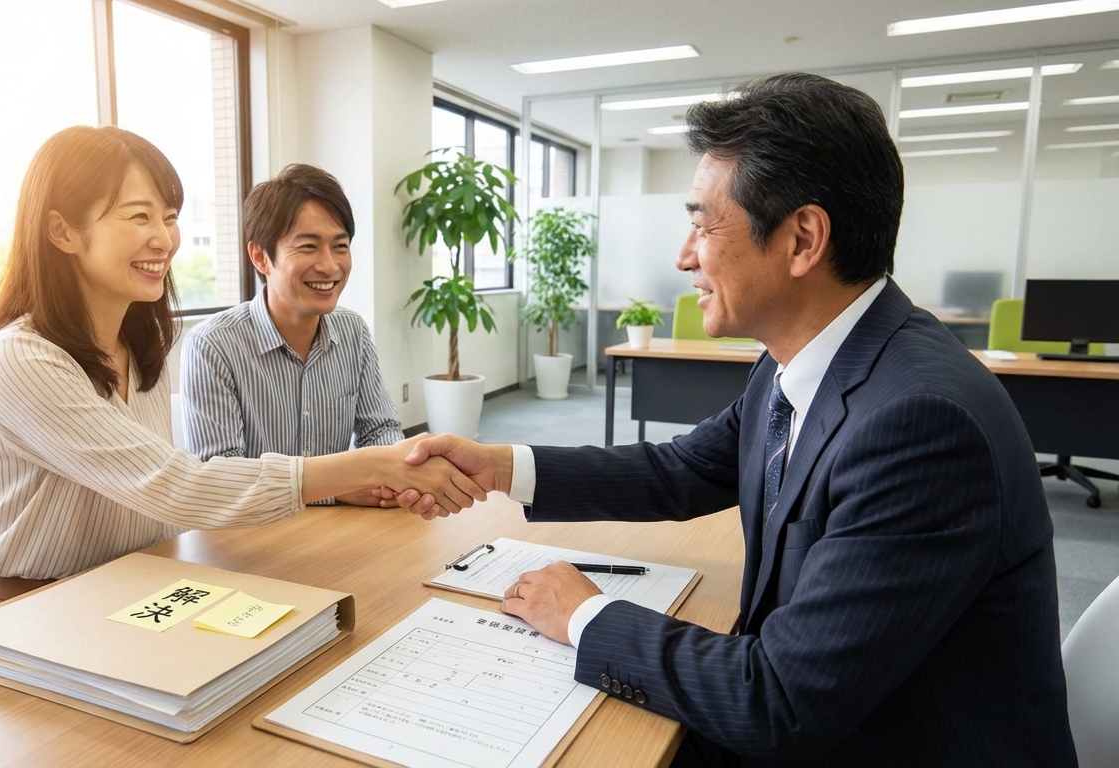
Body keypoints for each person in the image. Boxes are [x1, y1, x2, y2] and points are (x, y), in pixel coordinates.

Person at [398, 74, 1077, 766]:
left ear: (803, 238)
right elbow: (684, 468)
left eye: (702, 222)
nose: (683, 256)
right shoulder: (803, 360)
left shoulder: (923, 423)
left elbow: (779, 703)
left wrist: (584, 613)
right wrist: (505, 468)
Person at [0, 126, 481, 620]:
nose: (164, 239)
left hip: (132, 589)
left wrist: (380, 468)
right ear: (61, 231)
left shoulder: (140, 347)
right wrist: (367, 469)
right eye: (138, 217)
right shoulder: (22, 358)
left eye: (170, 216)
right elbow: (176, 486)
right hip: (28, 609)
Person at [180, 164, 403, 506]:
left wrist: (391, 475)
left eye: (340, 246)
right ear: (260, 257)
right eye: (308, 247)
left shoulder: (353, 330)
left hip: (340, 530)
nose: (330, 266)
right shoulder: (212, 345)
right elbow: (223, 478)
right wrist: (335, 489)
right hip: (252, 541)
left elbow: (380, 429)